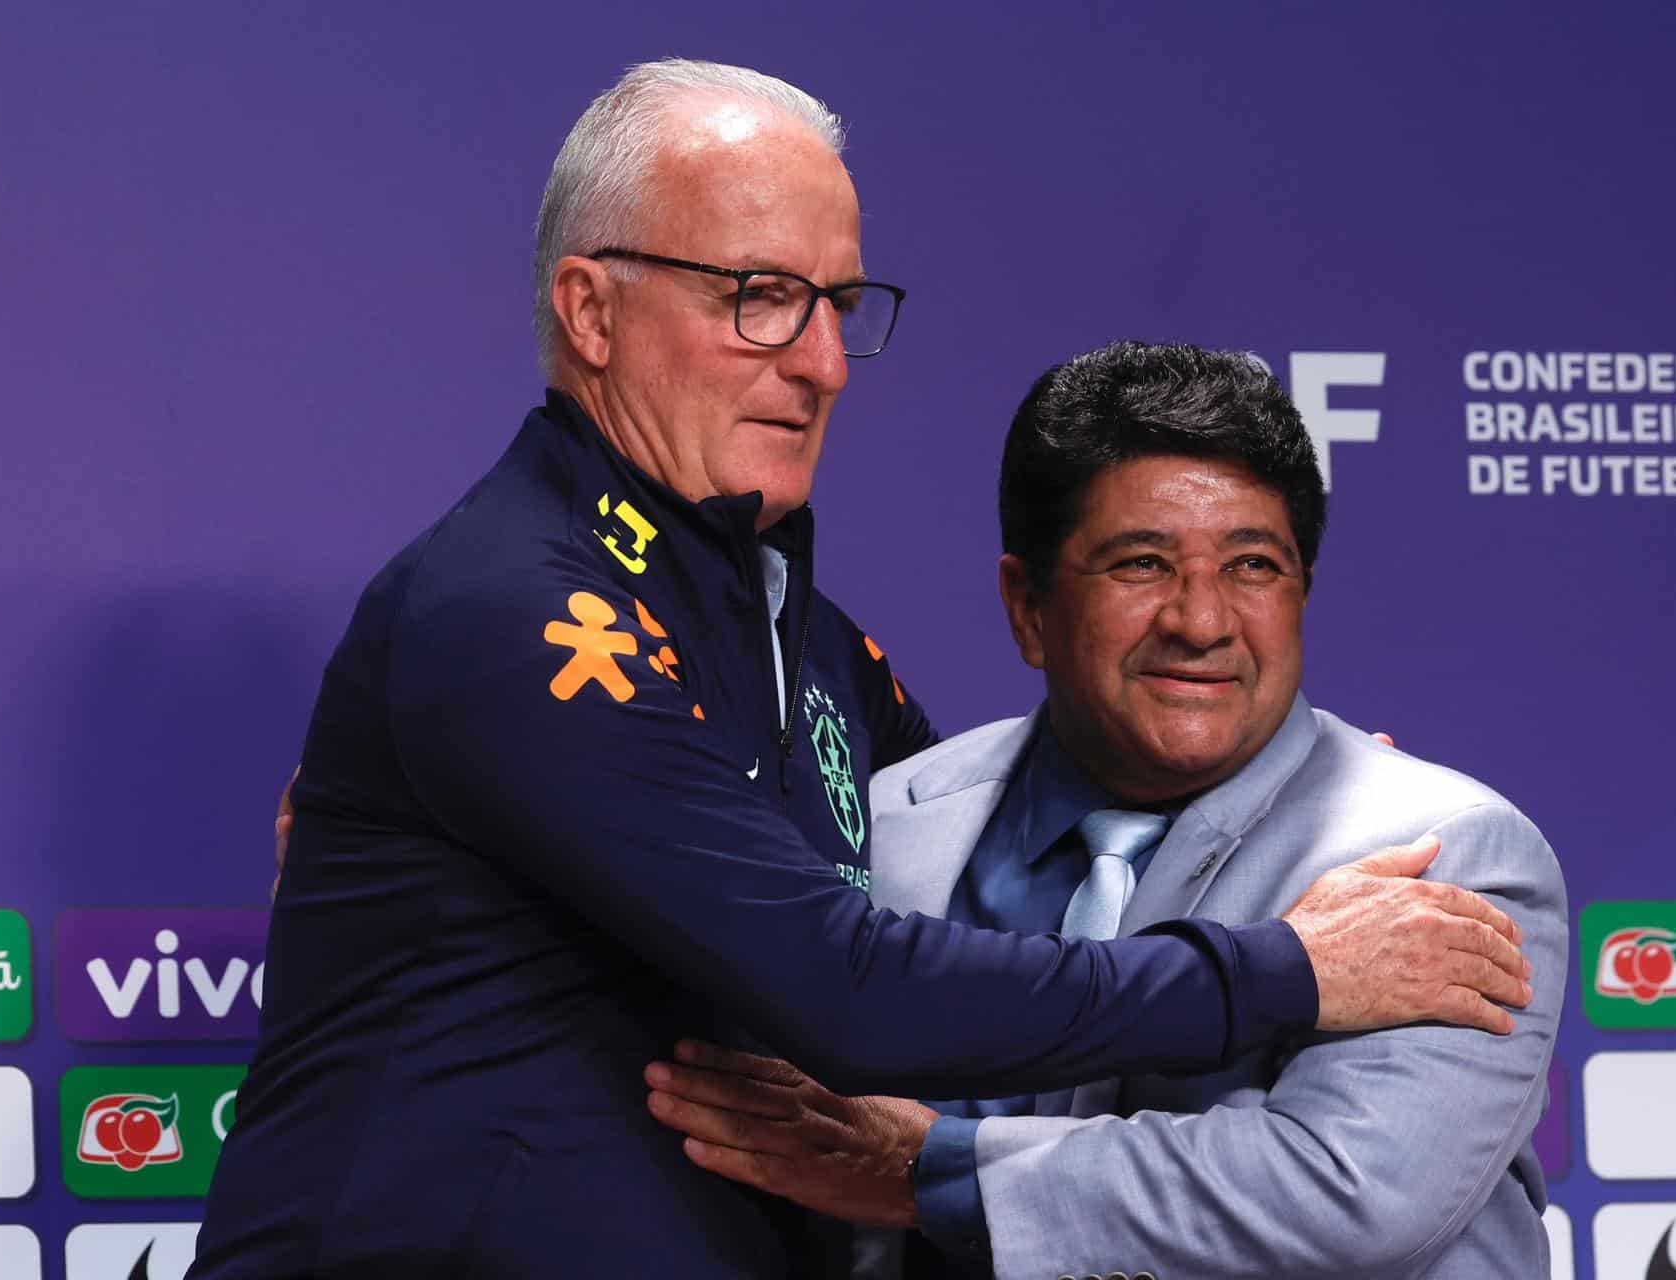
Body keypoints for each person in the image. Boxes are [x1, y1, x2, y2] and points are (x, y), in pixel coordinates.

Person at [203, 64, 1532, 1279]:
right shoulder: (514, 608)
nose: (825, 362)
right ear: (591, 310)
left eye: (839, 304)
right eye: (760, 297)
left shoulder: (801, 632)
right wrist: (1289, 968)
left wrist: (1309, 792)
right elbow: (852, 989)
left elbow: (992, 867)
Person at [643, 342, 1567, 1278]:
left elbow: (1344, 1190)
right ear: (1027, 607)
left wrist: (926, 1170)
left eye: (1253, 567)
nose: (1201, 621)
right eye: (1141, 564)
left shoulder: (1446, 854)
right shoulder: (884, 825)